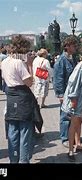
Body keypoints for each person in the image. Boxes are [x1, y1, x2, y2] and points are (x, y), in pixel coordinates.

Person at [1, 35, 35, 163]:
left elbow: (5, 79)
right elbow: (29, 82)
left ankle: (13, 159)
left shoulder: (4, 62)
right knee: (25, 132)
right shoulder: (19, 63)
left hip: (10, 96)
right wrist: (30, 65)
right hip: (22, 97)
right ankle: (23, 160)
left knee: (13, 131)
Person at [53, 36, 79, 148]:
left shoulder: (73, 58)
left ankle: (71, 135)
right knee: (65, 116)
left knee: (72, 115)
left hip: (72, 92)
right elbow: (58, 78)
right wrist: (60, 94)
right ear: (67, 46)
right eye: (74, 45)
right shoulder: (61, 61)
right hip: (65, 93)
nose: (76, 47)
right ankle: (65, 138)